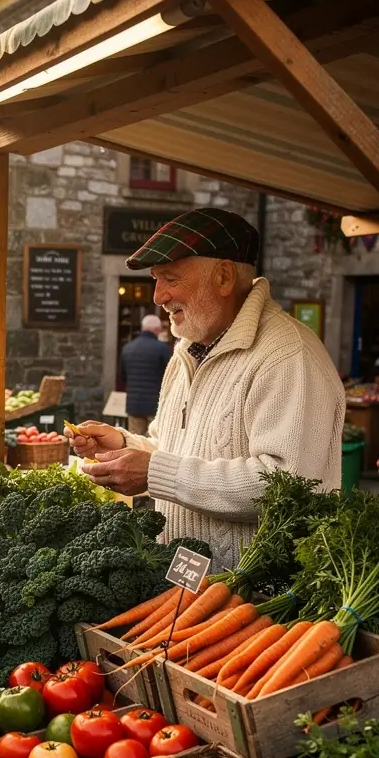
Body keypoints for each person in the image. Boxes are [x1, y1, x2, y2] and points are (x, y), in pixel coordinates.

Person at [68, 208, 345, 571]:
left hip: (259, 600)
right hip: (188, 582)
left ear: (224, 277)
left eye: (169, 278)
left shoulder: (287, 356)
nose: (158, 296)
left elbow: (284, 486)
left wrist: (154, 473)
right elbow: (175, 452)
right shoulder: (188, 351)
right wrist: (125, 447)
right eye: (156, 280)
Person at [120, 313, 171, 436]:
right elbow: (170, 377)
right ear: (157, 330)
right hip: (155, 405)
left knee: (135, 442)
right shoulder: (162, 349)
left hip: (134, 404)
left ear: (142, 328)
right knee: (155, 444)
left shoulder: (127, 348)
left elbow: (123, 377)